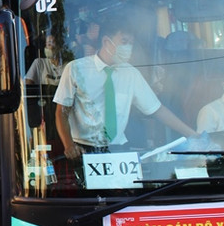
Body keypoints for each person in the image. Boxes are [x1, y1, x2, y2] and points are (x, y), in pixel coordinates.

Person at [54, 15, 197, 159]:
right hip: (83, 149)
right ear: (106, 42)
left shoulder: (130, 73)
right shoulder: (76, 69)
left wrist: (192, 135)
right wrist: (69, 145)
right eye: (124, 41)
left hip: (117, 149)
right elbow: (62, 112)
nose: (128, 47)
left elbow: (157, 110)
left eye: (131, 43)